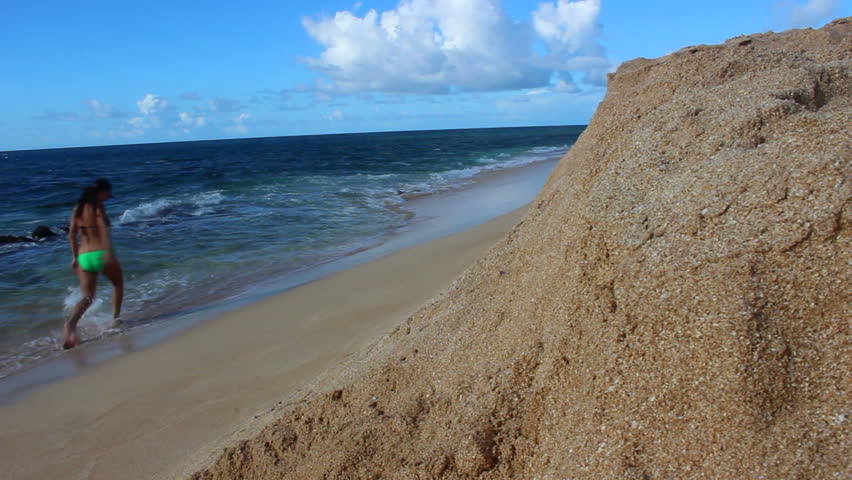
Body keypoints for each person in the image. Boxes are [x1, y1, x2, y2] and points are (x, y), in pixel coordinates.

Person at [64, 178, 124, 349]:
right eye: (107, 194)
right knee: (118, 284)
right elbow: (103, 229)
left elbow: (71, 235)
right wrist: (108, 252)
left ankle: (70, 325)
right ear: (101, 192)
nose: (107, 197)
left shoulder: (77, 208)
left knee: (88, 297)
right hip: (100, 253)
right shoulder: (98, 207)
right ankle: (115, 319)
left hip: (83, 256)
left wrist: (75, 258)